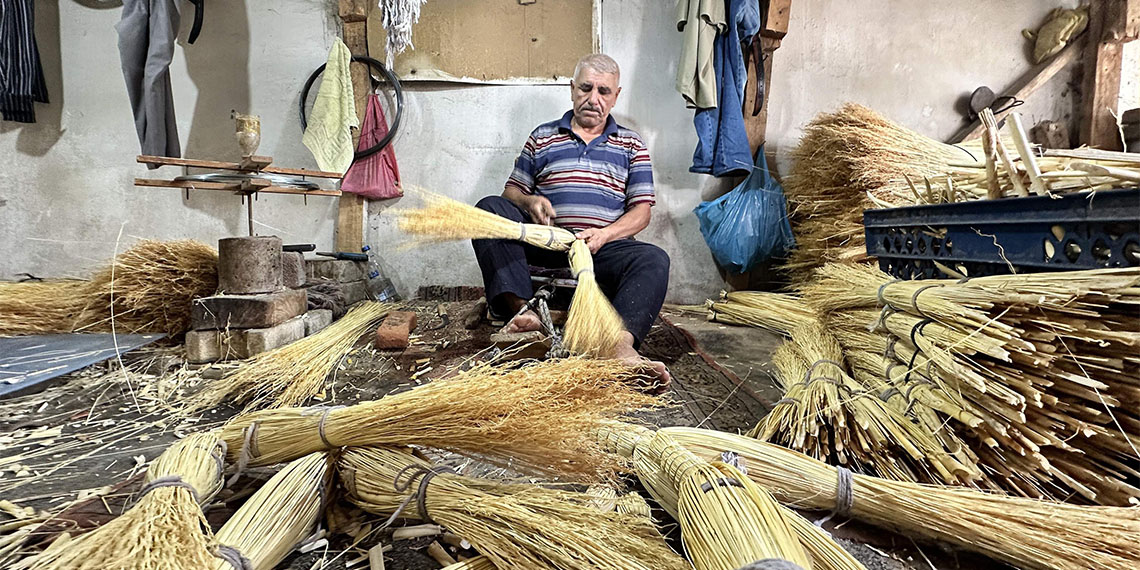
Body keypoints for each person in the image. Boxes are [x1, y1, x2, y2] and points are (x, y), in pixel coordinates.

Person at [472, 53, 671, 386]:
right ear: (572, 89)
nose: (593, 99)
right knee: (489, 210)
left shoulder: (631, 144)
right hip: (545, 242)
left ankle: (620, 347)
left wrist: (606, 234)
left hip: (600, 249)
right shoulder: (543, 136)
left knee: (653, 259)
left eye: (604, 91)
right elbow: (511, 192)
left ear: (616, 96)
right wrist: (529, 201)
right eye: (586, 88)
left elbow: (641, 212)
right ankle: (524, 315)